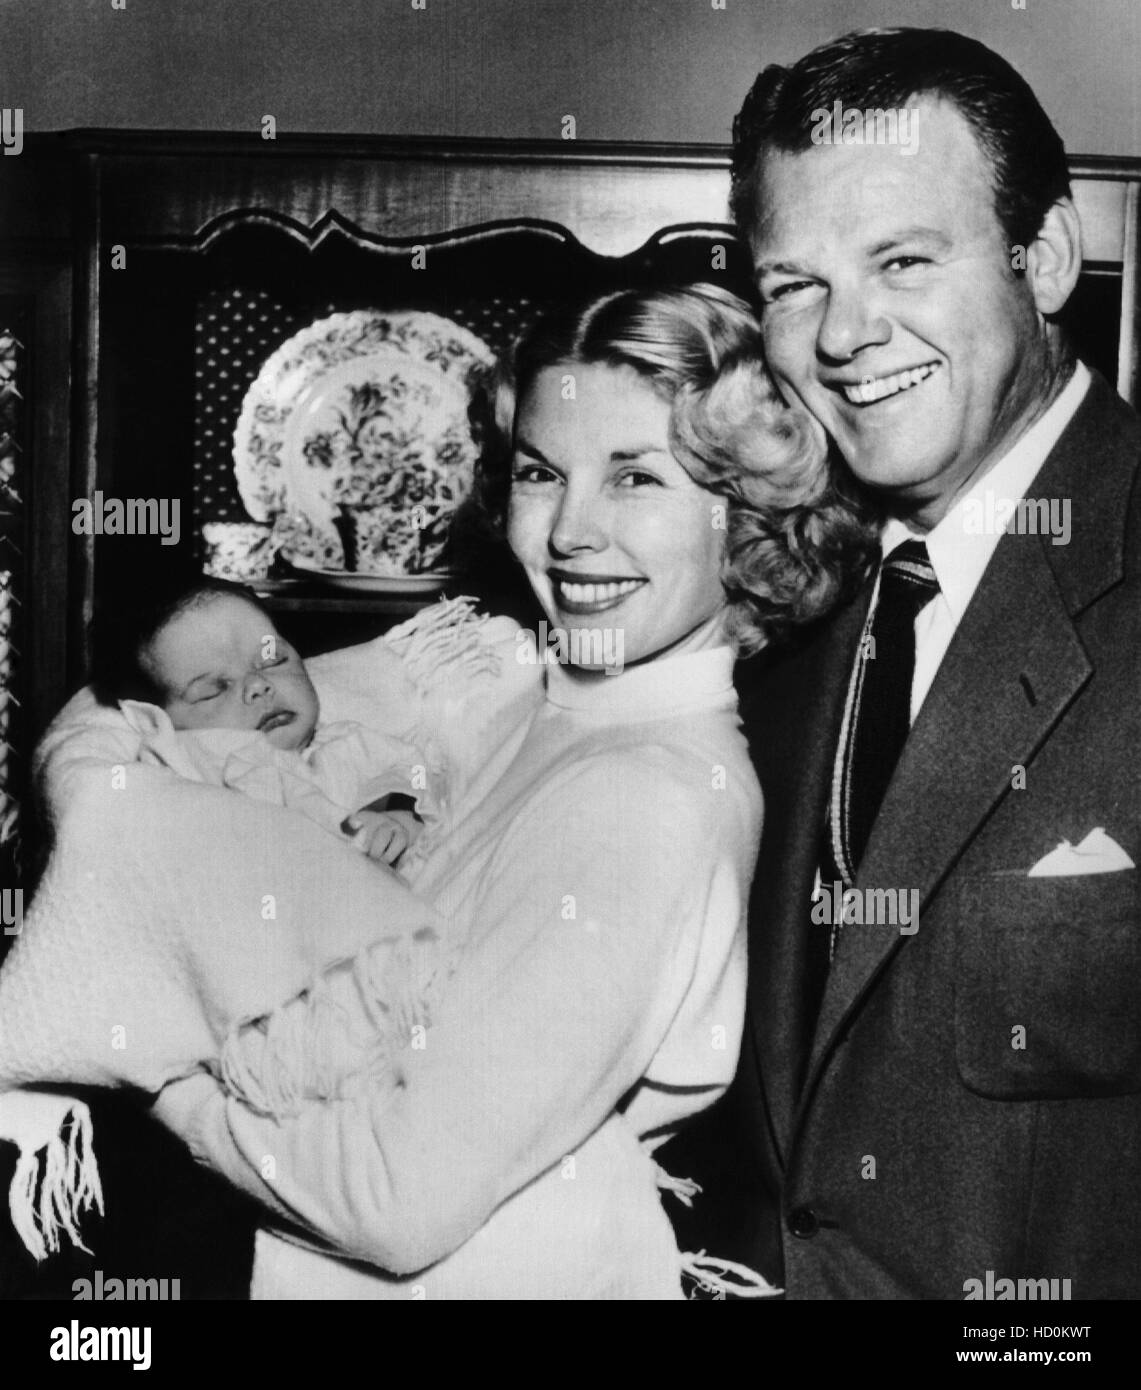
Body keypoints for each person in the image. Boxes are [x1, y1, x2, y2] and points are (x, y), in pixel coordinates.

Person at [46, 283, 869, 1299]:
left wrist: (163, 1069)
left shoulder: (647, 799)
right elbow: (132, 708)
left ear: (740, 511)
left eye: (634, 479)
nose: (570, 531)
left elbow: (396, 1200)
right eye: (539, 471)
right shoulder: (536, 688)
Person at [671, 27, 1141, 1299]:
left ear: (1043, 257)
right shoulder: (781, 588)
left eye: (903, 261)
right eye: (793, 284)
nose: (843, 336)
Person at [95, 577, 434, 866]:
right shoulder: (190, 762)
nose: (258, 685)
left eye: (273, 661)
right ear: (157, 720)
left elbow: (414, 779)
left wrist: (399, 820)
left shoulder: (350, 747)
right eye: (215, 690)